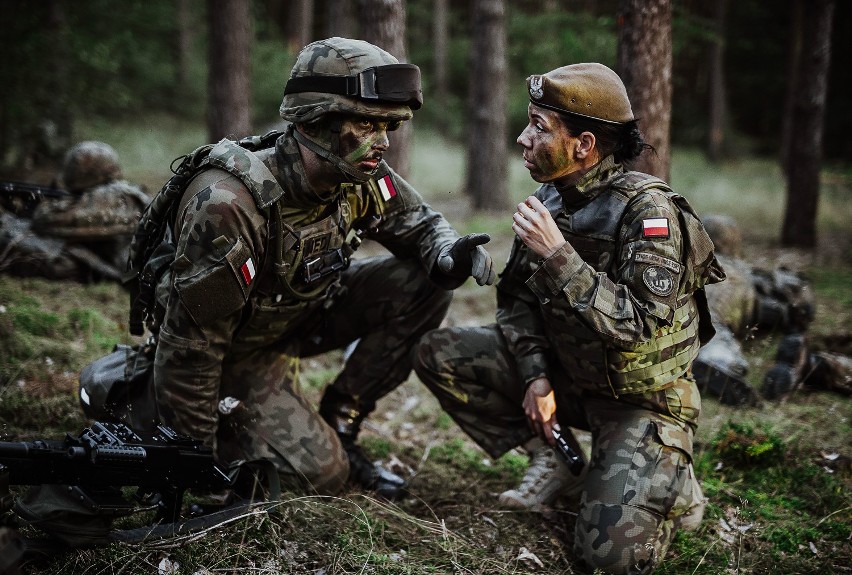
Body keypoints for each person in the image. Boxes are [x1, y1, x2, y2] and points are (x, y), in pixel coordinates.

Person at [130, 38, 495, 501]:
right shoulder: (230, 203)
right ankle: (140, 401)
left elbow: (419, 223)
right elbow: (192, 350)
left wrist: (449, 253)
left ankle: (341, 424)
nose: (383, 142)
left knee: (425, 283)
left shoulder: (357, 172)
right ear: (316, 120)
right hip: (233, 353)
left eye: (389, 125)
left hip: (298, 317)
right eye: (366, 123)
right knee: (322, 476)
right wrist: (194, 470)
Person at [414, 63, 725, 574]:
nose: (522, 138)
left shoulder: (648, 215)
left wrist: (560, 257)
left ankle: (672, 484)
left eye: (539, 126)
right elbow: (516, 302)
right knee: (439, 353)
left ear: (583, 144)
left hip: (640, 403)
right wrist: (535, 376)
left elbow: (640, 324)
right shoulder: (550, 200)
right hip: (570, 378)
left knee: (607, 559)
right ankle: (555, 458)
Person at [0, 141, 149, 283]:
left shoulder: (113, 195)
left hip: (125, 268)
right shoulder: (124, 193)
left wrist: (34, 208)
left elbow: (48, 221)